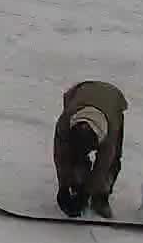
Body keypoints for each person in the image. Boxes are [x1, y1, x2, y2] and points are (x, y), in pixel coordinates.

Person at [53, 80, 126, 217]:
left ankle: (101, 197)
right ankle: (77, 182)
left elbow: (103, 167)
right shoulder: (65, 122)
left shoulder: (109, 135)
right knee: (73, 155)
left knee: (112, 160)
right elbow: (61, 156)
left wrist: (86, 194)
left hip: (112, 100)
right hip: (80, 93)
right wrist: (63, 187)